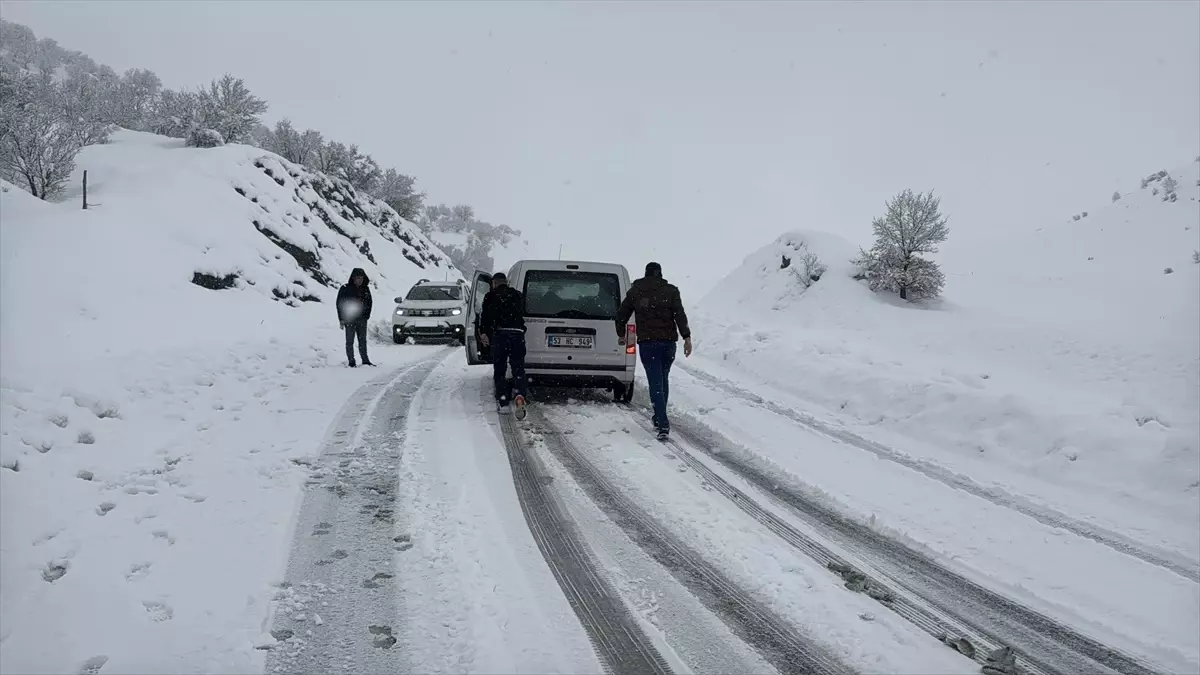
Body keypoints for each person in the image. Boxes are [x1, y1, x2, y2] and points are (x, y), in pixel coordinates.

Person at [616, 262, 692, 440]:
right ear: (660, 274)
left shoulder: (636, 292)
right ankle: (659, 417)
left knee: (655, 382)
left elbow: (621, 314)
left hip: (648, 343)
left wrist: (621, 334)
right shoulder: (671, 291)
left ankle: (663, 423)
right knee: (663, 378)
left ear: (645, 274)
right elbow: (680, 315)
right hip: (668, 344)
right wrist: (686, 337)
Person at [479, 272, 528, 415]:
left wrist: (484, 333)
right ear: (506, 282)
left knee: (500, 370)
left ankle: (504, 402)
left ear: (494, 283)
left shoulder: (490, 296)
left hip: (500, 335)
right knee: (518, 369)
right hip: (518, 334)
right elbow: (521, 314)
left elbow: (486, 318)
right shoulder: (518, 295)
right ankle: (519, 396)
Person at [336, 268, 374, 367]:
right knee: (349, 341)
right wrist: (341, 318)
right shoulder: (345, 288)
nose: (360, 280)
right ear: (353, 278)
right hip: (349, 318)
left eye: (361, 278)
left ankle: (365, 360)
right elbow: (340, 304)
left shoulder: (365, 289)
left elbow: (370, 302)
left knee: (362, 340)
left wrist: (366, 315)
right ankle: (351, 361)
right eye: (357, 278)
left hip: (362, 319)